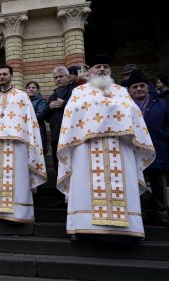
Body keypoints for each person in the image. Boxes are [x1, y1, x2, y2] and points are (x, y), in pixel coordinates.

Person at [56, 54, 155, 241]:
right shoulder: (79, 92)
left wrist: (107, 108)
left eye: (105, 66)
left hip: (119, 146)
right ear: (90, 71)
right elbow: (71, 118)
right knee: (86, 185)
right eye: (98, 67)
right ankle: (84, 227)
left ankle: (127, 231)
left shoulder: (121, 92)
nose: (102, 69)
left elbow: (133, 113)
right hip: (86, 148)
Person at [0, 65, 47, 223]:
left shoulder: (22, 96)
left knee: (18, 177)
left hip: (17, 144)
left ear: (11, 76)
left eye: (4, 74)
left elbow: (30, 121)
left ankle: (19, 213)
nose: (2, 77)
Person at [127, 69, 169, 226]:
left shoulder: (161, 103)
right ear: (130, 90)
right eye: (135, 87)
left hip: (158, 150)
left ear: (147, 87)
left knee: (159, 183)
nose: (139, 89)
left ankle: (162, 214)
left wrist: (164, 136)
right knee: (136, 183)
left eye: (142, 86)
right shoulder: (125, 106)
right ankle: (139, 214)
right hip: (134, 152)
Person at [45, 66, 76, 171]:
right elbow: (46, 117)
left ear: (68, 77)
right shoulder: (53, 95)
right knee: (58, 166)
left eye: (61, 76)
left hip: (72, 135)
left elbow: (81, 109)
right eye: (56, 77)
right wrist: (49, 107)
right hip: (56, 136)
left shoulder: (75, 91)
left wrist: (64, 103)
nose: (58, 79)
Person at [25, 81, 47, 155]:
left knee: (37, 154)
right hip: (26, 131)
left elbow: (40, 115)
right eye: (29, 88)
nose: (31, 89)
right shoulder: (23, 101)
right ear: (26, 90)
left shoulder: (41, 101)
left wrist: (24, 121)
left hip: (37, 130)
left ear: (37, 90)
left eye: (33, 87)